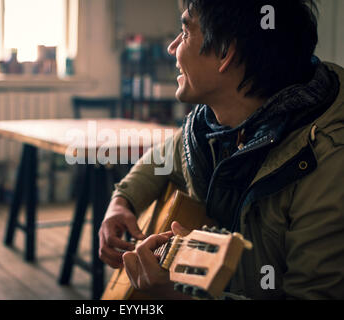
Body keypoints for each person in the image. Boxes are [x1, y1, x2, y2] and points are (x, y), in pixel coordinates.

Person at [99, 0, 344, 299]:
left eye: (185, 31)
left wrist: (179, 295)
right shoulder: (207, 128)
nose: (172, 47)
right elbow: (162, 157)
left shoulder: (329, 158)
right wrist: (122, 202)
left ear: (226, 53)